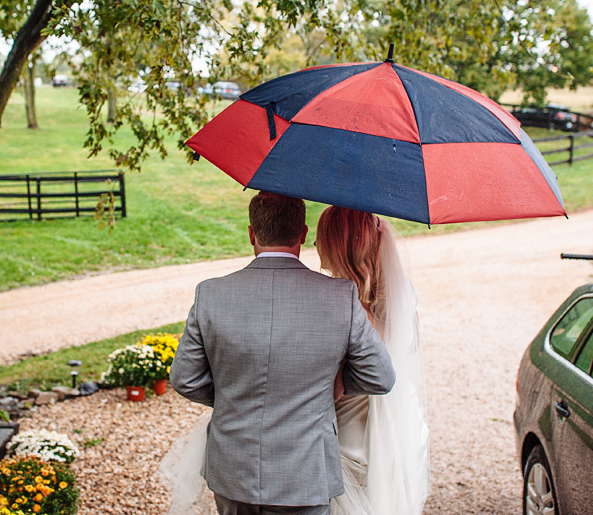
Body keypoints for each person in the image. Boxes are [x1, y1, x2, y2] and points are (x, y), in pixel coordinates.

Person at [169, 191, 396, 515]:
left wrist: (236, 396)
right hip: (306, 472)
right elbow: (381, 377)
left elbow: (184, 379)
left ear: (252, 233)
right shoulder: (340, 297)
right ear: (303, 234)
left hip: (234, 470)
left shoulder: (211, 294)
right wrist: (328, 389)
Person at [316, 206, 430, 515]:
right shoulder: (404, 295)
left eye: (321, 239)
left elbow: (333, 389)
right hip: (404, 425)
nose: (315, 246)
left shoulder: (340, 307)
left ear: (338, 247)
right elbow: (409, 353)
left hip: (355, 438)